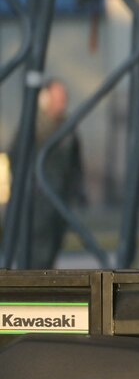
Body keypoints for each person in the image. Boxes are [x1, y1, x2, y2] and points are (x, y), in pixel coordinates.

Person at [24, 79, 85, 270]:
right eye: (58, 97)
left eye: (64, 97)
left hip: (60, 199)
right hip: (37, 201)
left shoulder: (67, 127)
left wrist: (78, 190)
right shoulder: (33, 126)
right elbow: (18, 158)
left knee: (52, 250)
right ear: (45, 98)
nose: (62, 102)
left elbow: (76, 162)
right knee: (37, 254)